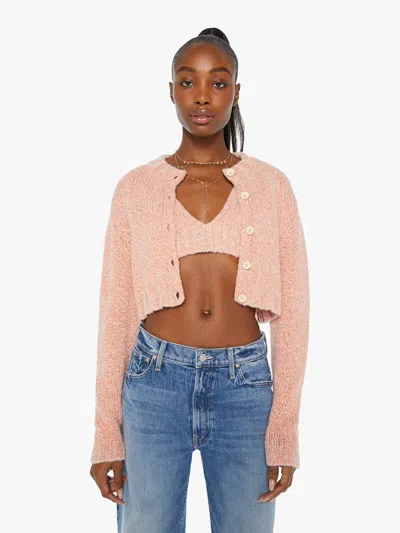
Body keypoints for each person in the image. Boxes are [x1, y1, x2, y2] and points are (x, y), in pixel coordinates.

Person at [89, 27, 310, 533]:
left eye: (218, 82)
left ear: (236, 91)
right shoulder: (135, 189)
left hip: (244, 387)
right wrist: (106, 435)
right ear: (171, 91)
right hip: (154, 383)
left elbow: (295, 311)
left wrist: (284, 432)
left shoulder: (272, 186)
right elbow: (116, 310)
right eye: (188, 82)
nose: (203, 96)